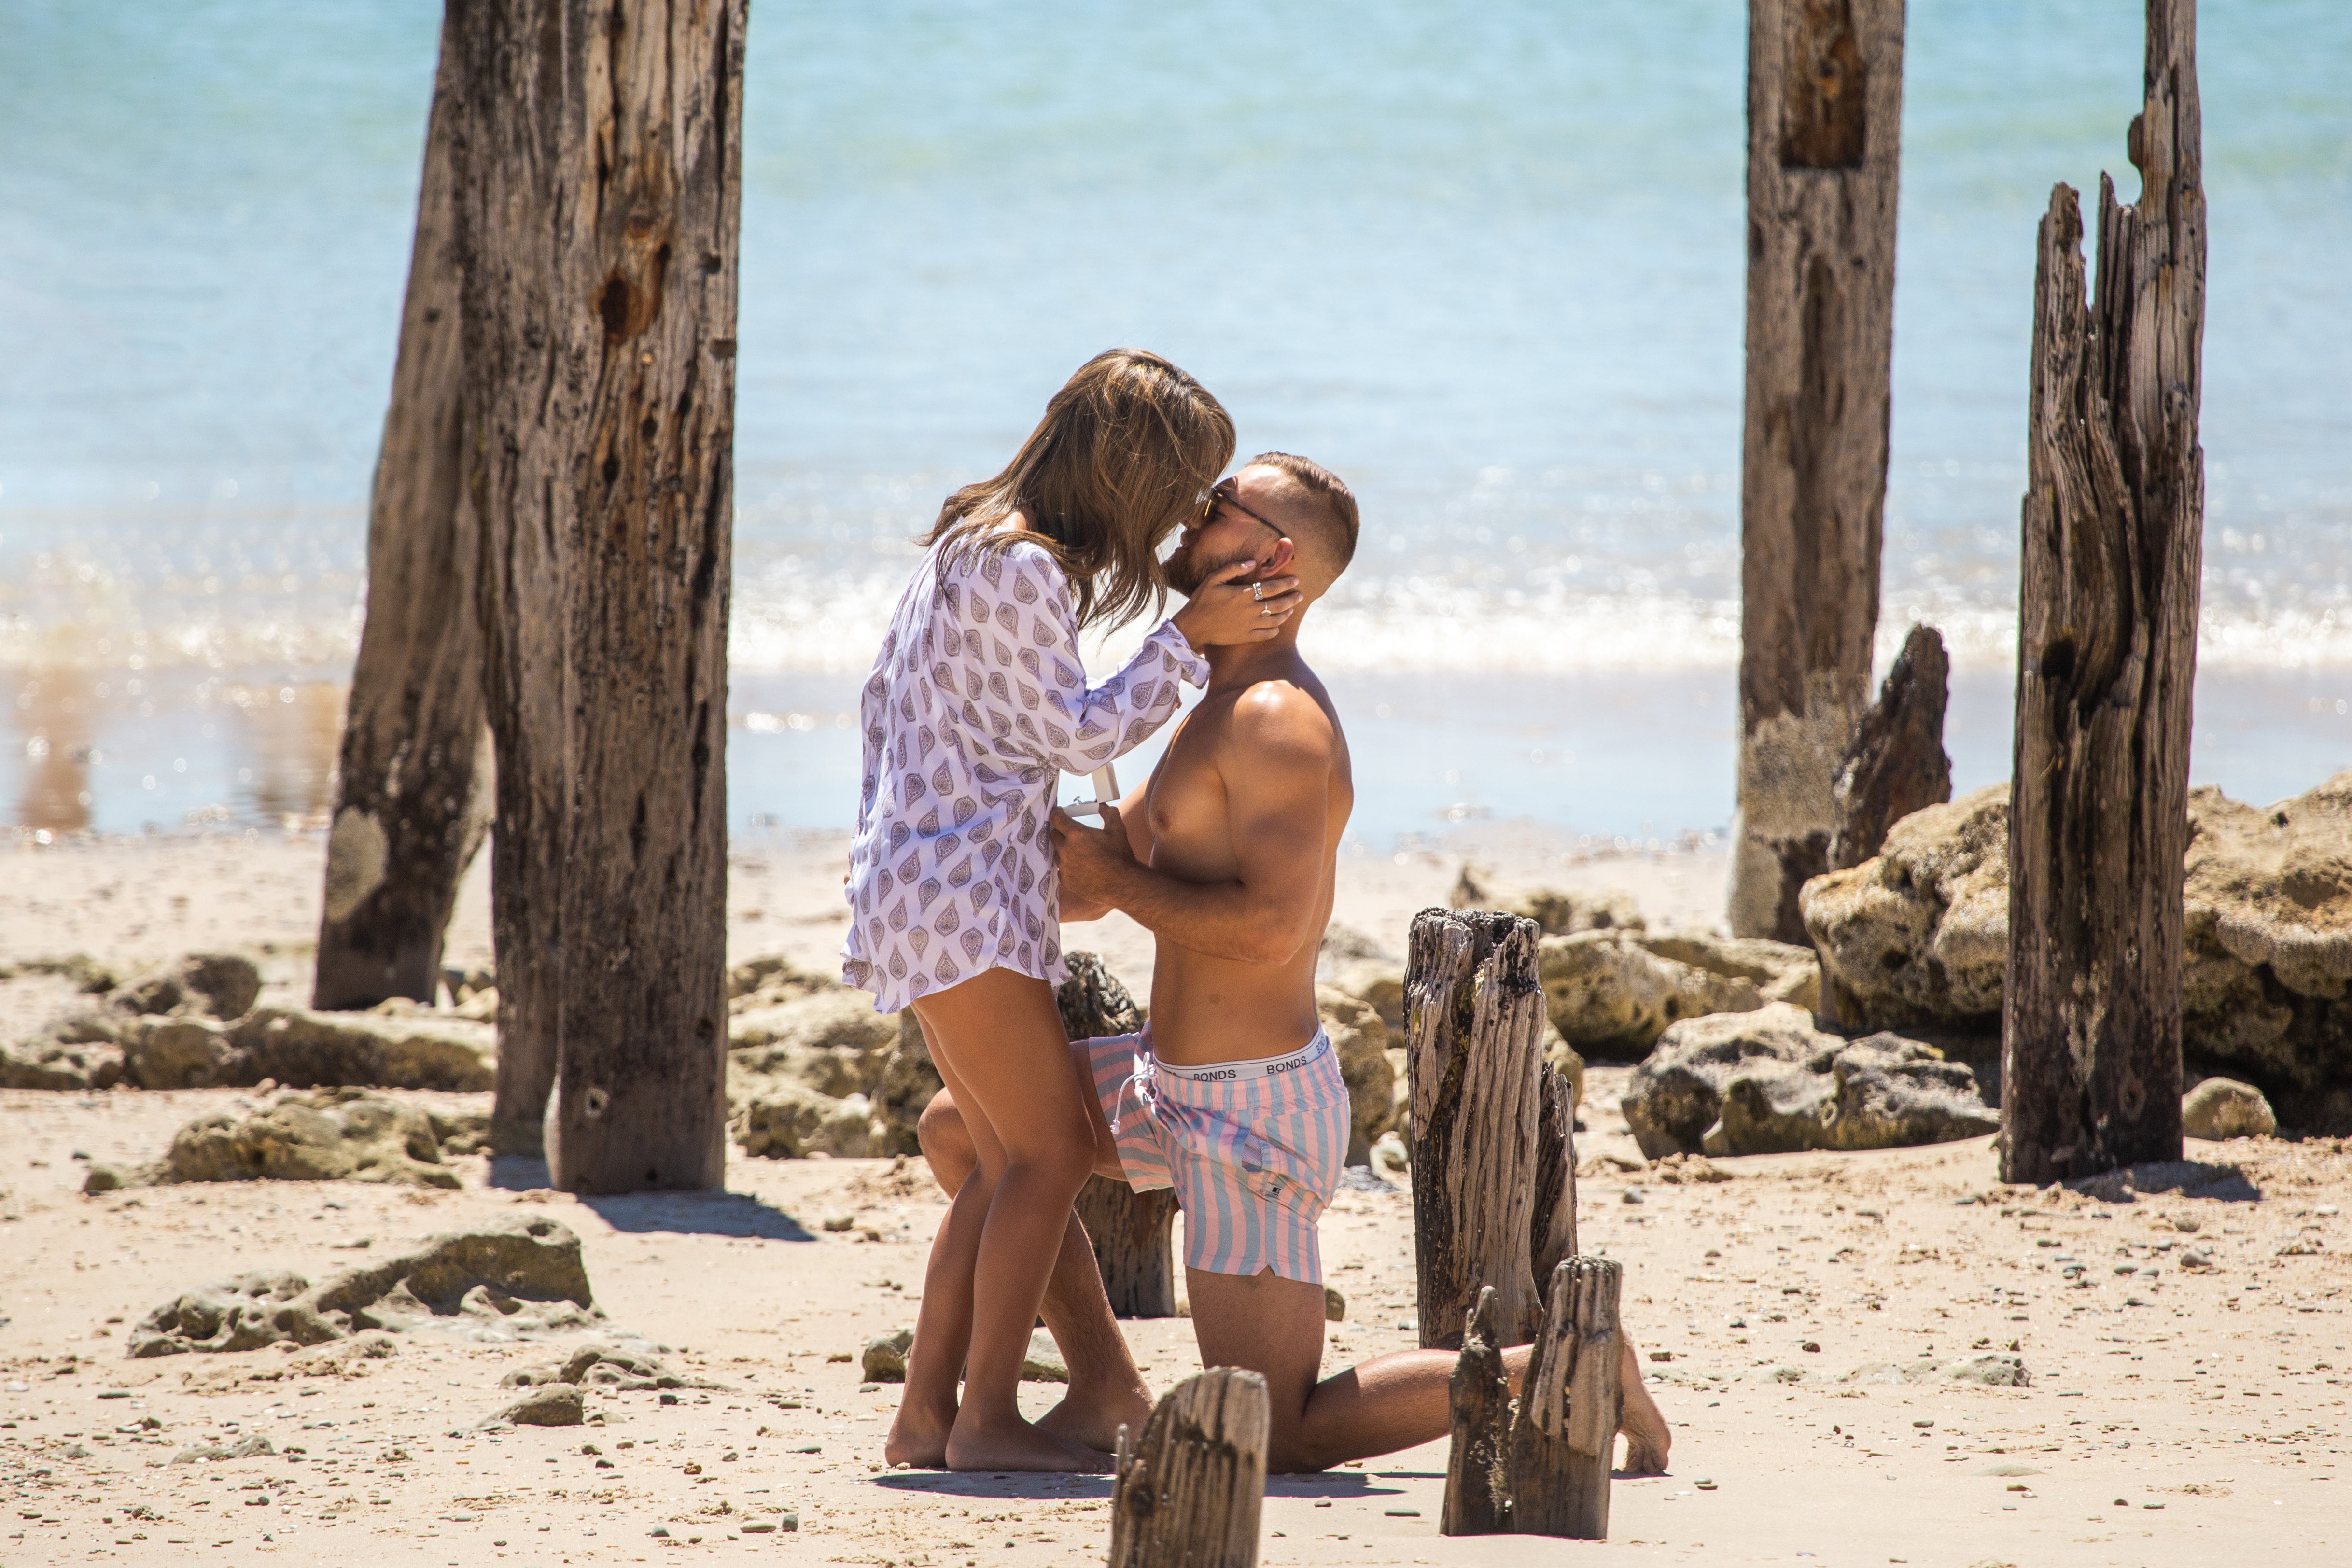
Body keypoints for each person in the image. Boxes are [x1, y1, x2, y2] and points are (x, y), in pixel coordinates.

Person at [917, 452, 1673, 1475]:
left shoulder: (1278, 720)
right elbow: (1095, 884)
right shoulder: (1210, 706)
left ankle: (1575, 1362)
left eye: (1220, 503)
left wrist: (1107, 874)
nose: (1193, 509)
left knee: (1282, 1431)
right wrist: (944, 831)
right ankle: (1103, 1382)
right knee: (967, 1132)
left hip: (1251, 1114)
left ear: (1271, 555)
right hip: (1163, 1080)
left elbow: (1271, 929)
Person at [845, 351, 1306, 1473]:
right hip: (962, 892)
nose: (1193, 515)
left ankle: (926, 1417)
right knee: (1048, 1155)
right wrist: (1190, 637)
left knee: (1008, 1160)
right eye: (1189, 489)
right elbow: (1082, 735)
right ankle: (988, 1419)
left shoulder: (973, 537)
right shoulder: (1020, 567)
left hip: (918, 883)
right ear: (1130, 475)